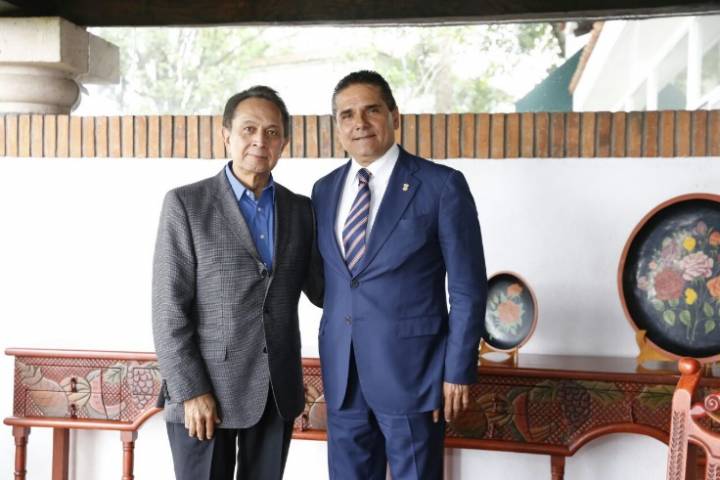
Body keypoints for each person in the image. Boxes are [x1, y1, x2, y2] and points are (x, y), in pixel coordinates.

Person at [311, 70, 487, 480]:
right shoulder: (323, 191)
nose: (359, 123)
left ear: (394, 115)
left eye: (371, 110)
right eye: (347, 115)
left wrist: (458, 370)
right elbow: (332, 282)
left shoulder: (441, 185)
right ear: (337, 126)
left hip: (415, 375)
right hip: (343, 376)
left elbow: (468, 289)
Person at [152, 85, 323, 480]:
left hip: (276, 393)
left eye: (272, 132)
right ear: (226, 135)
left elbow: (324, 290)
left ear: (284, 143)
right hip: (204, 395)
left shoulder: (301, 210)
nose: (260, 141)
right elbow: (168, 310)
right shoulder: (186, 204)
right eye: (249, 129)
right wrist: (191, 391)